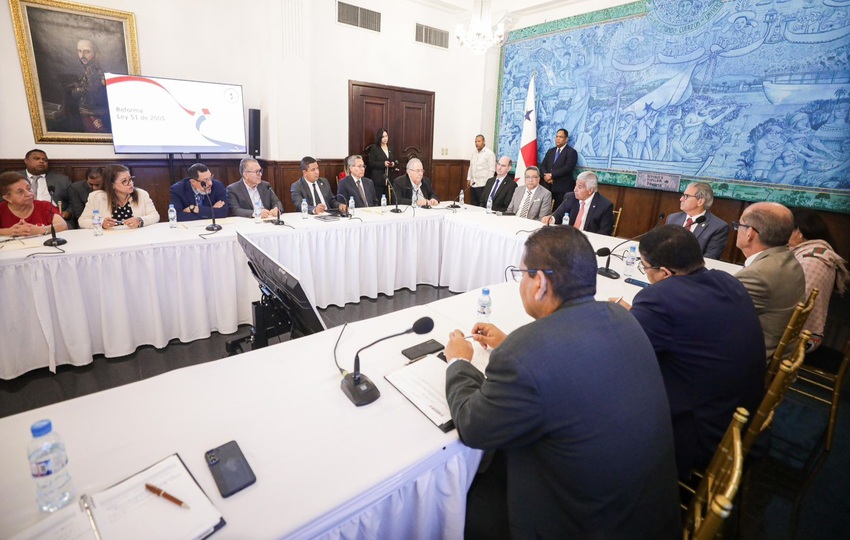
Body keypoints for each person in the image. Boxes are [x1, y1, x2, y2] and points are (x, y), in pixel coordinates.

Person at [444, 226, 680, 538]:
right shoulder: (622, 316)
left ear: (539, 282)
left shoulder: (525, 353)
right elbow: (573, 364)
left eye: (522, 274)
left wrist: (459, 360)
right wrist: (510, 345)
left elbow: (474, 426)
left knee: (460, 502)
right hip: (651, 516)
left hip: (581, 523)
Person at [612, 225, 765, 479]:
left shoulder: (660, 299)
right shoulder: (726, 280)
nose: (645, 273)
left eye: (644, 266)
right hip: (738, 418)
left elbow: (619, 353)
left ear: (664, 273)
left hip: (699, 434)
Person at [735, 202, 806, 359]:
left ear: (749, 233)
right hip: (777, 351)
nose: (736, 230)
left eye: (738, 225)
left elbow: (716, 317)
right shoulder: (789, 259)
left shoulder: (757, 275)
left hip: (751, 358)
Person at [788, 208, 850, 351]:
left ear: (799, 232)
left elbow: (795, 304)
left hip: (803, 338)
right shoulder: (820, 252)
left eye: (787, 229)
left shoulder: (811, 261)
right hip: (806, 333)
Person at [78, 165, 159, 229]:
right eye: (124, 181)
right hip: (109, 240)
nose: (130, 183)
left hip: (136, 237)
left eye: (130, 179)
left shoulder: (142, 194)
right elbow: (82, 221)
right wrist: (101, 223)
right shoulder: (96, 197)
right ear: (112, 184)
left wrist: (140, 220)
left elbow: (155, 216)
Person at [666, 182, 730, 260]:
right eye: (683, 195)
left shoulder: (718, 227)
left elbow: (710, 258)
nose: (681, 199)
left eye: (686, 196)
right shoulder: (673, 218)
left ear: (700, 201)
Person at [544, 170, 614, 235]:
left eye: (580, 187)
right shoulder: (570, 197)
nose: (575, 190)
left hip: (589, 242)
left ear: (591, 190)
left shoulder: (605, 206)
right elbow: (558, 216)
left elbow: (604, 233)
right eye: (575, 185)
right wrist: (551, 219)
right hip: (568, 239)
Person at [0, 171, 68, 236]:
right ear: (8, 198)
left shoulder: (44, 206)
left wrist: (40, 230)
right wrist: (9, 231)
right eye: (20, 192)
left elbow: (63, 225)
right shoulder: (1, 209)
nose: (29, 194)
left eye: (29, 188)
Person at [64, 39, 109, 133]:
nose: (82, 56)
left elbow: (90, 90)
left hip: (93, 116)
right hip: (89, 114)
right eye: (79, 51)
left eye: (87, 52)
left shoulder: (93, 71)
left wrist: (73, 90)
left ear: (96, 54)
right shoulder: (89, 69)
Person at [18, 149, 72, 223]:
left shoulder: (62, 180)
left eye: (45, 160)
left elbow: (73, 201)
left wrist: (68, 212)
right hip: (23, 218)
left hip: (54, 218)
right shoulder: (14, 178)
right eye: (36, 159)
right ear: (26, 161)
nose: (41, 161)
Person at [539, 128, 578, 209]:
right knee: (544, 210)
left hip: (562, 188)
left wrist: (552, 175)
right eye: (556, 137)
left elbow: (568, 168)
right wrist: (546, 176)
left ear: (566, 139)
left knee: (558, 211)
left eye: (560, 137)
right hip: (547, 186)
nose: (558, 139)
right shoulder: (550, 151)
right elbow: (542, 166)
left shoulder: (571, 152)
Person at [366, 128, 398, 201]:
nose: (385, 138)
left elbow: (395, 160)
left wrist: (393, 164)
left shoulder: (390, 148)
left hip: (388, 178)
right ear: (379, 137)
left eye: (386, 136)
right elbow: (371, 163)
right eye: (383, 137)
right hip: (378, 178)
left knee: (388, 199)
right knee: (379, 199)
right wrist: (383, 164)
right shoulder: (375, 148)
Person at [467, 134, 496, 206]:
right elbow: (471, 166)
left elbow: (491, 170)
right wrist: (468, 178)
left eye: (479, 141)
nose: (477, 143)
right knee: (473, 204)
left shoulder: (489, 154)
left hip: (483, 184)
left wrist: (488, 184)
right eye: (475, 141)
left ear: (484, 142)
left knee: (481, 205)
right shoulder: (474, 153)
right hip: (473, 184)